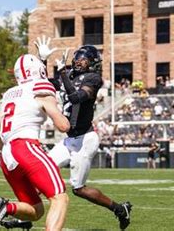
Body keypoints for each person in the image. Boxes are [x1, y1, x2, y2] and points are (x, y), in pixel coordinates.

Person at [35, 36, 132, 230]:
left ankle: (120, 209)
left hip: (85, 139)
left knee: (78, 189)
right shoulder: (69, 75)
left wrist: (62, 72)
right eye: (78, 58)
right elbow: (42, 83)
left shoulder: (93, 78)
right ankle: (24, 217)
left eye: (84, 59)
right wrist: (43, 60)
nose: (79, 62)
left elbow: (77, 97)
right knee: (40, 173)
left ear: (92, 63)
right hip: (68, 139)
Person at [0, 54, 70, 231]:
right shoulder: (42, 88)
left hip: (8, 155)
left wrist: (8, 148)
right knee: (60, 197)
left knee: (36, 210)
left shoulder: (10, 94)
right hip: (26, 146)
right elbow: (63, 126)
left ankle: (6, 207)